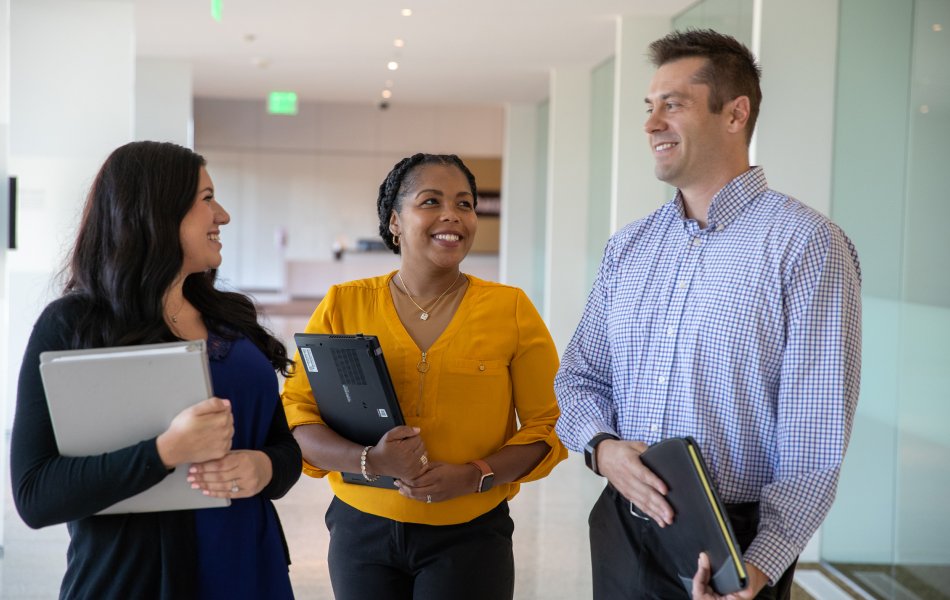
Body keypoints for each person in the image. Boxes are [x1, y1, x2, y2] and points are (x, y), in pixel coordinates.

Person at [554, 29, 862, 600]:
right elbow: (578, 377)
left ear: (735, 114)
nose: (651, 124)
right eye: (649, 107)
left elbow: (812, 432)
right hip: (622, 525)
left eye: (672, 105)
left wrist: (756, 567)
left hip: (729, 545)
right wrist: (602, 448)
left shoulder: (807, 245)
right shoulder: (629, 247)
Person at [11, 141, 302, 599]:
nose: (222, 215)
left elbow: (282, 445)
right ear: (157, 212)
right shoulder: (75, 324)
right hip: (141, 581)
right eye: (207, 198)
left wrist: (265, 468)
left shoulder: (231, 318)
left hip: (252, 568)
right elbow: (36, 494)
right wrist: (165, 451)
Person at [281, 153, 567, 600]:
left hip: (471, 535)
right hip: (361, 532)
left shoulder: (510, 310)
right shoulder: (344, 304)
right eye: (431, 201)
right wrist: (371, 461)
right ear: (395, 221)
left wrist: (475, 475)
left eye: (464, 204)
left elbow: (548, 426)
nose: (452, 215)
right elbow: (298, 414)